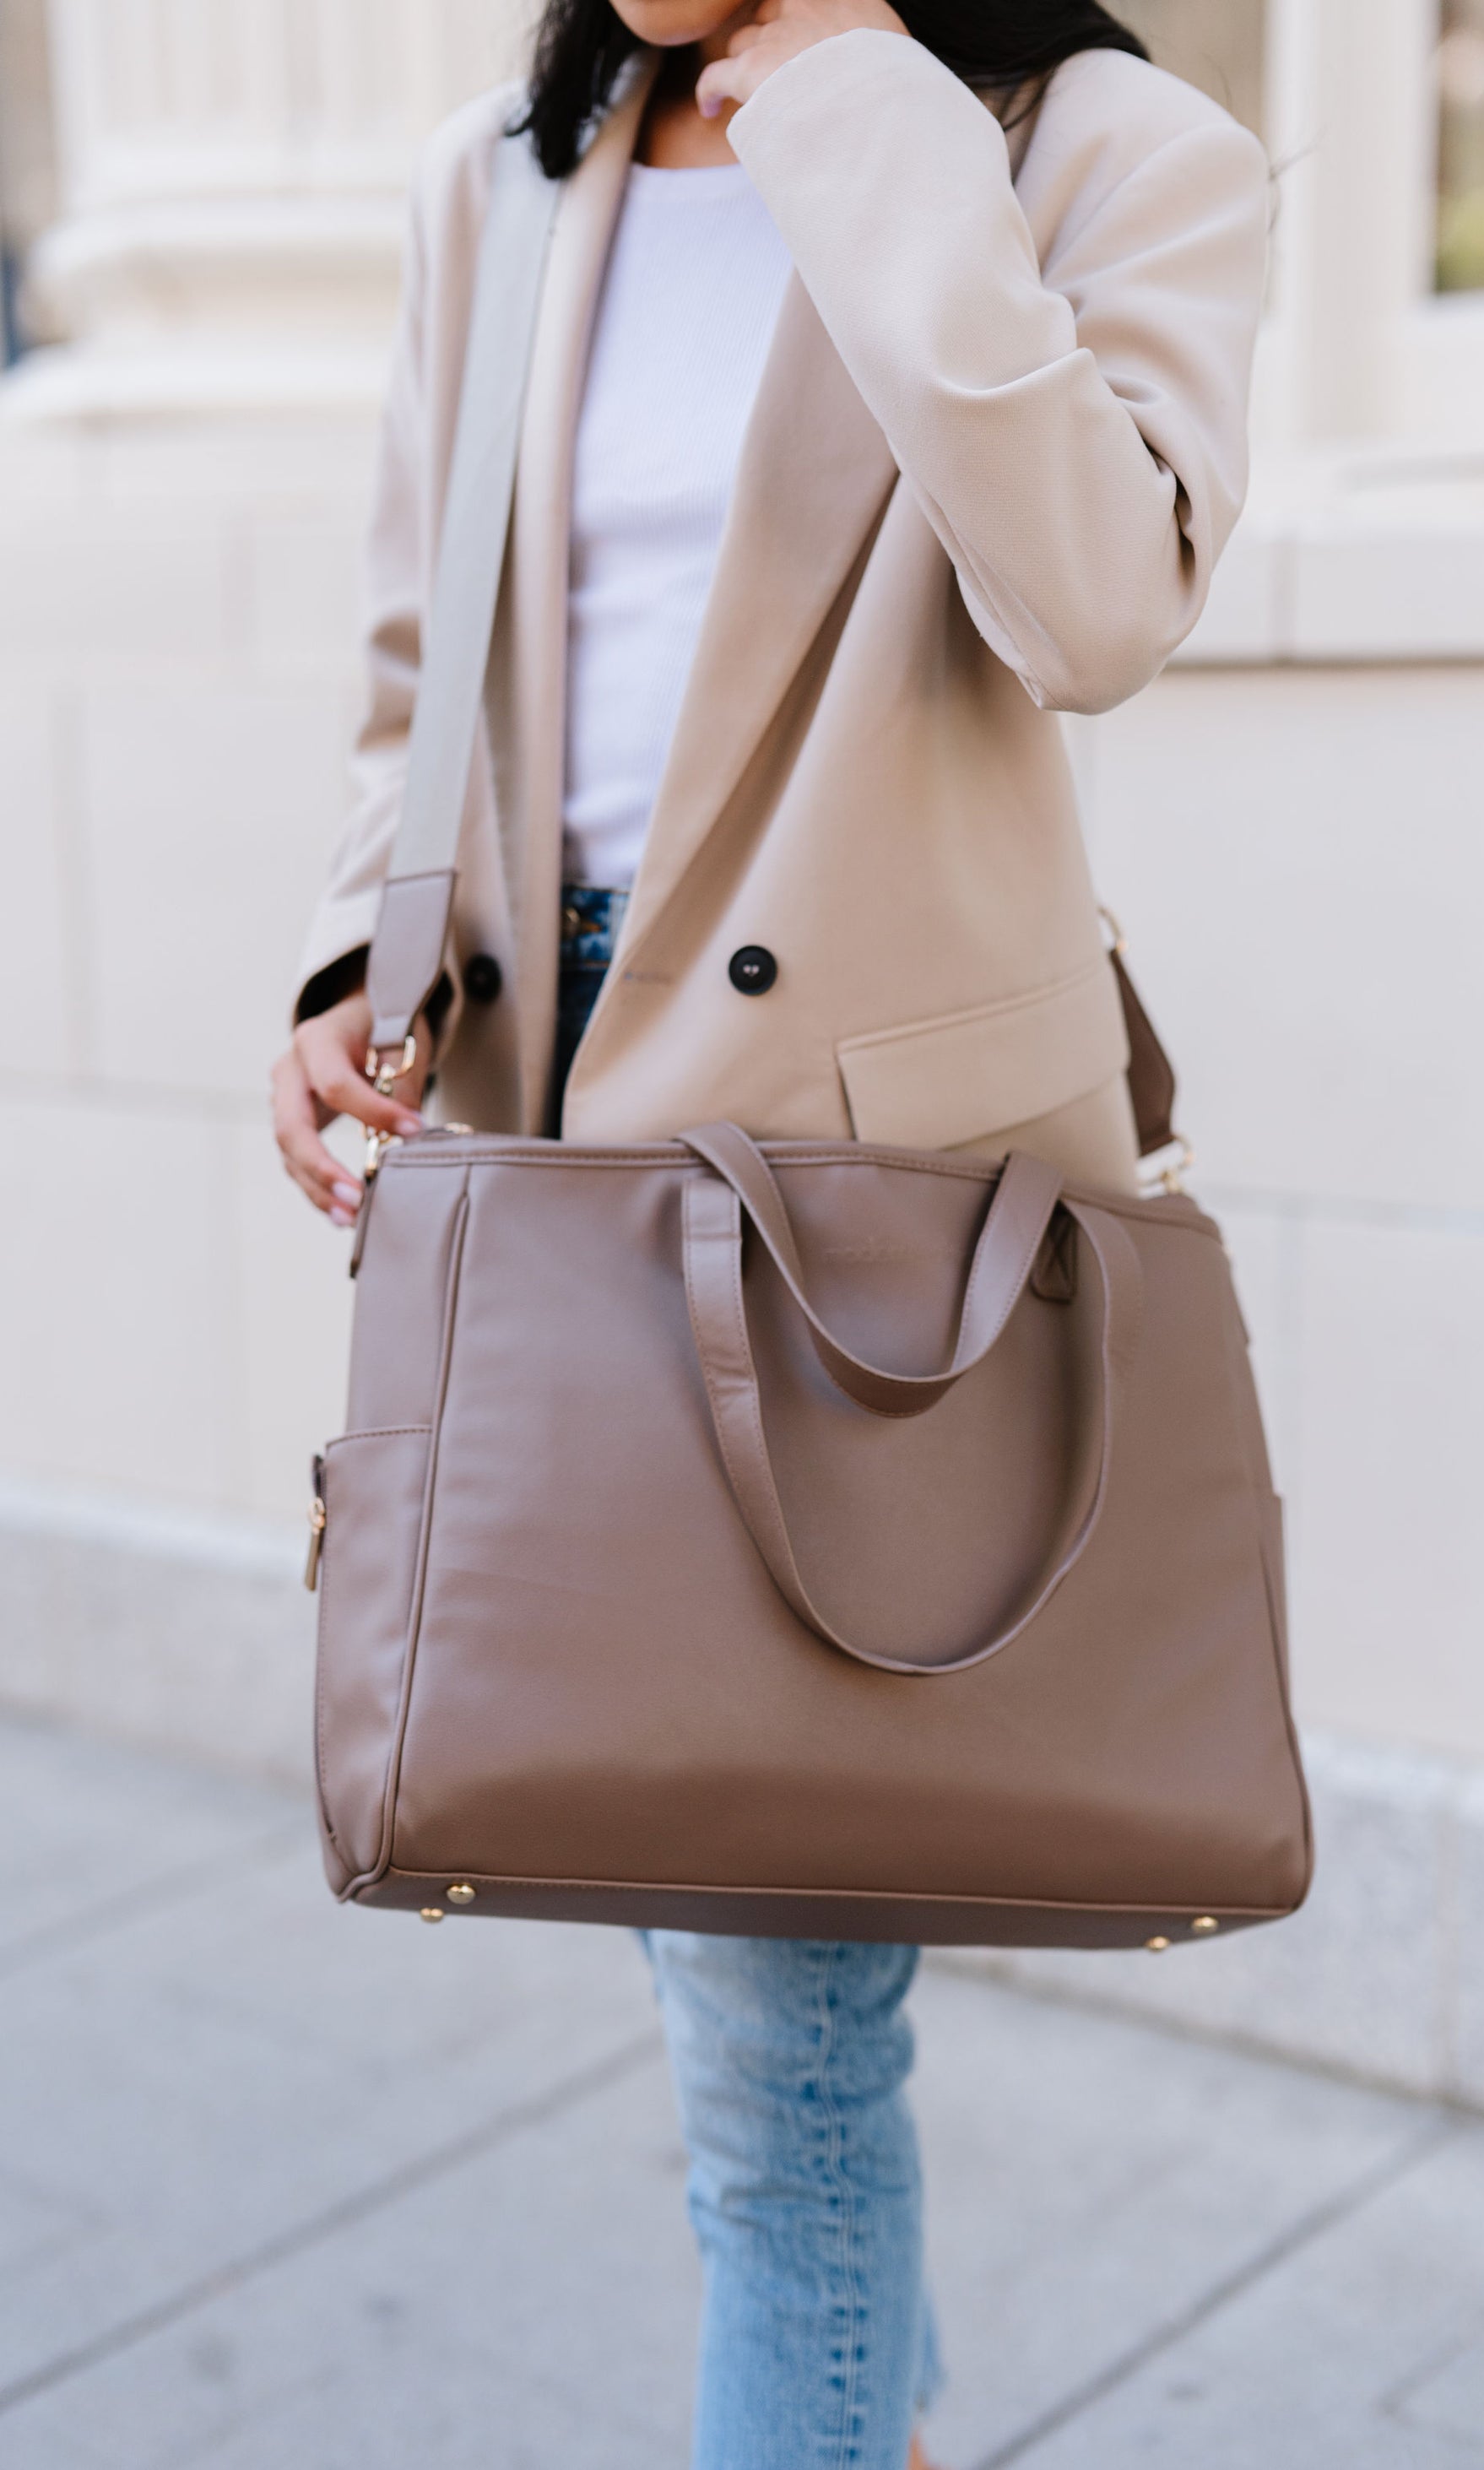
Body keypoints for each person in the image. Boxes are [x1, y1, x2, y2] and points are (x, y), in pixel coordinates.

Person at [272, 3, 1269, 2461]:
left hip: (867, 1212)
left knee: (778, 2076)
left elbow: (1093, 605)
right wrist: (347, 973)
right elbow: (424, 679)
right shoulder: (503, 180)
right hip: (549, 1135)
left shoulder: (1121, 153)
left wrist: (852, 98)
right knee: (745, 1980)